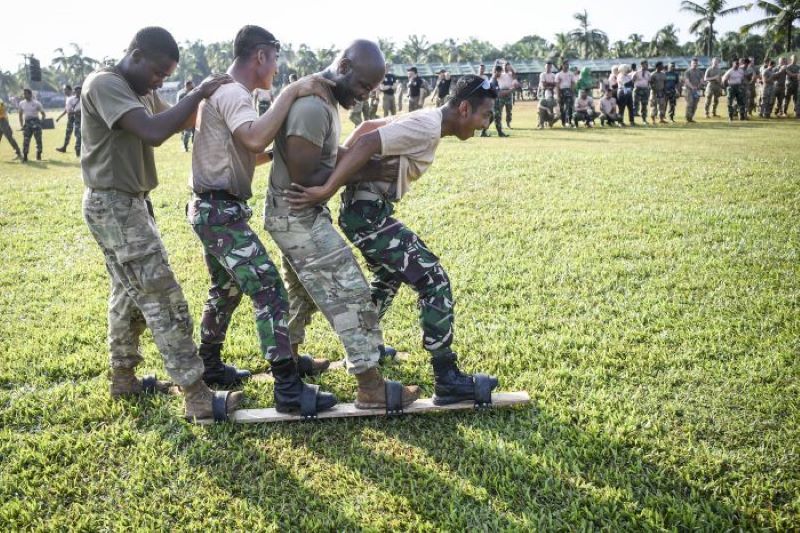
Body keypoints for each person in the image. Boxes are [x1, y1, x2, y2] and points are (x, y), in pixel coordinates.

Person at [285, 74, 500, 406]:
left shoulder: (429, 122)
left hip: (368, 212)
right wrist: (328, 186)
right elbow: (367, 143)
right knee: (433, 279)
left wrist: (342, 169)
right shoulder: (428, 126)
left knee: (387, 277)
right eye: (484, 115)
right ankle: (447, 378)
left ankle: (366, 351)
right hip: (366, 215)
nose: (485, 124)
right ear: (464, 108)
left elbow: (370, 125)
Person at [80, 26, 240, 421]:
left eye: (166, 77)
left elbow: (177, 120)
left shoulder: (138, 89)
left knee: (128, 294)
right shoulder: (105, 83)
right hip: (114, 204)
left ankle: (123, 378)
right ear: (134, 55)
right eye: (158, 73)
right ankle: (197, 396)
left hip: (129, 203)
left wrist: (222, 102)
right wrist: (198, 91)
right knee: (161, 296)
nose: (160, 82)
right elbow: (153, 132)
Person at [187, 25, 338, 414]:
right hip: (219, 211)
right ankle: (288, 388)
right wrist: (290, 93)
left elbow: (248, 152)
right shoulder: (235, 93)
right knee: (269, 288)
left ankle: (210, 364)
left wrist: (279, 152)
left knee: (226, 289)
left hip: (212, 208)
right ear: (261, 56)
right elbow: (253, 139)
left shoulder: (223, 93)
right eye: (275, 57)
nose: (276, 66)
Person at [263, 40, 420, 411]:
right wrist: (363, 169)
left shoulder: (326, 101)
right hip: (297, 215)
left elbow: (325, 161)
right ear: (345, 67)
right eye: (364, 85)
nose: (367, 95)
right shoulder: (313, 107)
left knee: (300, 294)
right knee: (351, 292)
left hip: (292, 214)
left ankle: (291, 363)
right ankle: (371, 387)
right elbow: (307, 175)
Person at [17, 88, 46, 162]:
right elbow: (20, 115)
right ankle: (25, 156)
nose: (25, 95)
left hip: (36, 121)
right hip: (27, 123)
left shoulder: (37, 103)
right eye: (24, 94)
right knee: (26, 140)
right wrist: (21, 125)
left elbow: (43, 114)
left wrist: (41, 122)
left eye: (26, 93)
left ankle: (38, 154)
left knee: (38, 140)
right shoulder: (22, 103)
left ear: (30, 94)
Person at [55, 84, 76, 153]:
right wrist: (59, 117)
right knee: (68, 133)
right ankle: (64, 148)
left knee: (78, 134)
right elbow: (66, 110)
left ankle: (79, 148)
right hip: (70, 118)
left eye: (66, 90)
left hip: (75, 118)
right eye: (64, 90)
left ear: (70, 90)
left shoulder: (74, 98)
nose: (64, 91)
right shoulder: (67, 99)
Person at [556, 61, 576, 128]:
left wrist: (572, 93)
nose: (566, 66)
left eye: (567, 65)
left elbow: (573, 83)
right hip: (561, 91)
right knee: (562, 108)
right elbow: (557, 85)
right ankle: (563, 122)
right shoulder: (558, 74)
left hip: (569, 91)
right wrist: (558, 95)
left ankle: (569, 122)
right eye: (565, 65)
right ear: (562, 65)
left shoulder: (571, 74)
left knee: (569, 107)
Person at [177, 80, 195, 151]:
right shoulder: (182, 94)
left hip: (195, 115)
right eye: (191, 87)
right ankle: (185, 147)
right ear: (186, 86)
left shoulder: (194, 92)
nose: (192, 88)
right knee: (187, 133)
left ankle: (194, 146)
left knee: (195, 132)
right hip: (186, 116)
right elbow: (179, 105)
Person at [683, 58, 704, 123]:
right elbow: (687, 81)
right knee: (690, 103)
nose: (695, 64)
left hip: (697, 90)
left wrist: (698, 86)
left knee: (695, 104)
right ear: (691, 64)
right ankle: (688, 118)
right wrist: (692, 87)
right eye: (693, 63)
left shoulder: (700, 72)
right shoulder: (687, 72)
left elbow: (701, 80)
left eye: (696, 63)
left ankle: (691, 117)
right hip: (689, 90)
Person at [497, 61, 516, 128]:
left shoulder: (511, 74)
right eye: (504, 66)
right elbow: (494, 73)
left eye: (506, 66)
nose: (505, 67)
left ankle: (508, 124)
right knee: (499, 110)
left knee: (509, 110)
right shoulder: (500, 74)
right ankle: (499, 124)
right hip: (501, 92)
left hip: (509, 92)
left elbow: (514, 75)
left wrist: (511, 68)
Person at [632, 60, 651, 125]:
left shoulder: (648, 73)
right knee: (635, 105)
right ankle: (632, 121)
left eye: (647, 64)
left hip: (645, 90)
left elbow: (649, 82)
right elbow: (632, 81)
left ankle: (644, 120)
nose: (647, 66)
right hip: (637, 89)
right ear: (642, 65)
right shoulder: (636, 73)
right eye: (646, 64)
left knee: (644, 105)